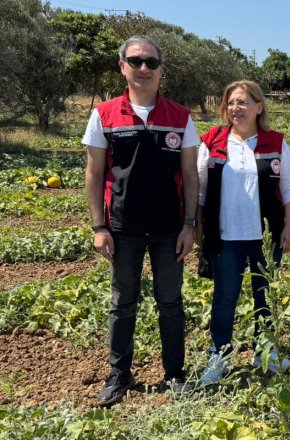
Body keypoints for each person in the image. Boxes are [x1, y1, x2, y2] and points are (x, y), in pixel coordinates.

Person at [83, 35, 199, 406]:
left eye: (151, 62)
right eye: (136, 61)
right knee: (123, 302)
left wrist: (189, 225)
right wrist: (99, 227)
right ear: (123, 66)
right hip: (123, 227)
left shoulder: (181, 117)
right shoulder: (103, 114)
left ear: (162, 69)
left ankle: (175, 373)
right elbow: (94, 172)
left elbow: (191, 176)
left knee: (170, 301)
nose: (144, 68)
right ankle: (119, 374)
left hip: (169, 227)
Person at [196, 80, 290, 385]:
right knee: (224, 297)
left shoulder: (275, 143)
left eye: (242, 102)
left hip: (264, 235)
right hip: (224, 236)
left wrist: (289, 227)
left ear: (259, 107)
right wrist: (199, 227)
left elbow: (289, 189)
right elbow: (200, 190)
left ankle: (265, 352)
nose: (235, 108)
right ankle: (220, 355)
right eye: (230, 103)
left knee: (265, 296)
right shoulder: (213, 141)